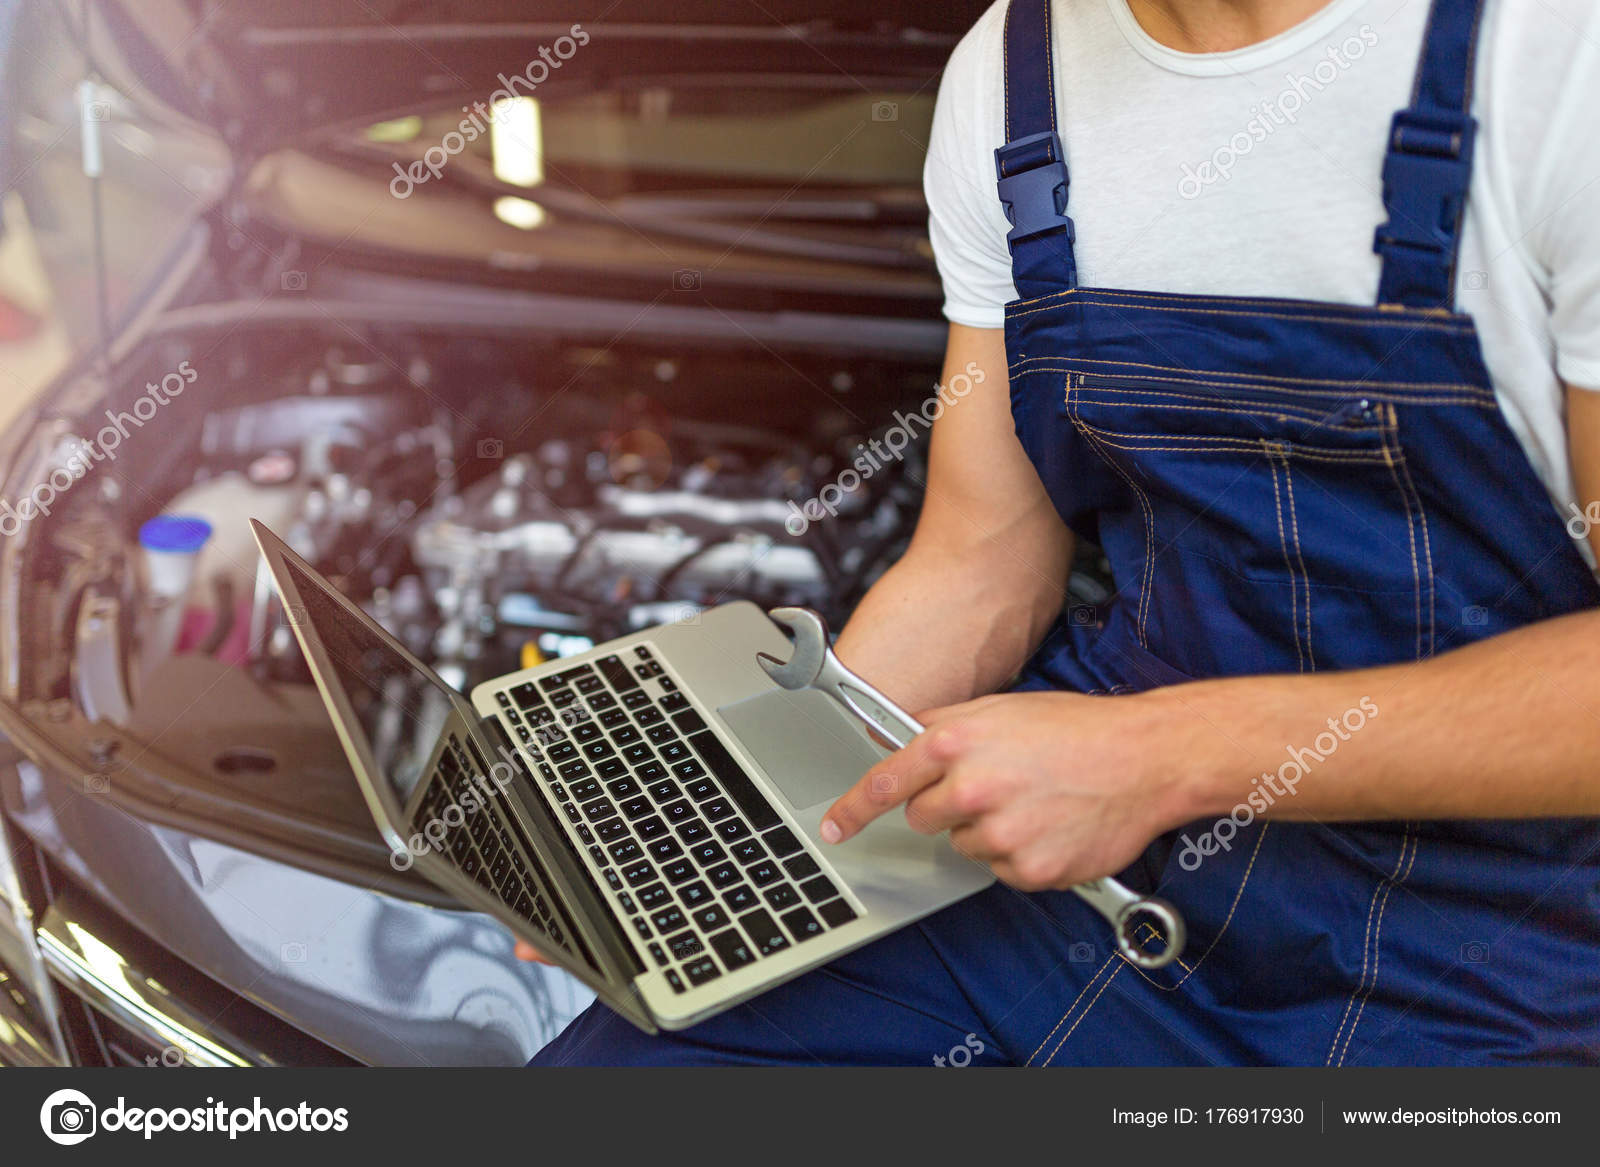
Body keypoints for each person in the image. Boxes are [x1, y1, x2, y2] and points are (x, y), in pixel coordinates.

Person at [530, 0, 1600, 1065]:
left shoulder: (1552, 63)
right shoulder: (1010, 69)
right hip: (1094, 874)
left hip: (1513, 943)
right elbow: (979, 563)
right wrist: (770, 831)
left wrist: (1165, 756)